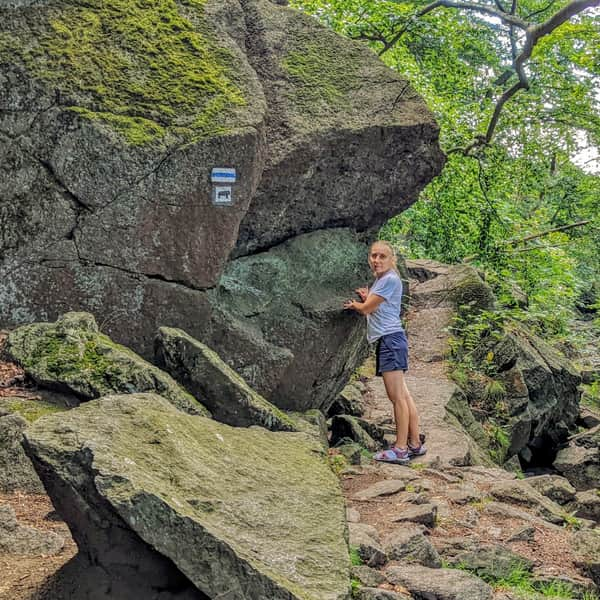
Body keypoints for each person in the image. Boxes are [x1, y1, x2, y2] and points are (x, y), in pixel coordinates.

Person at [343, 240, 426, 464]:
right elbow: (377, 304)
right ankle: (415, 443)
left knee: (396, 397)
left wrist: (355, 305)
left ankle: (400, 449)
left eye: (382, 257)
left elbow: (367, 309)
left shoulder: (388, 279)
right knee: (404, 395)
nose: (377, 260)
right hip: (393, 340)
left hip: (391, 342)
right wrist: (368, 295)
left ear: (392, 260)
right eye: (373, 256)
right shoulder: (384, 281)